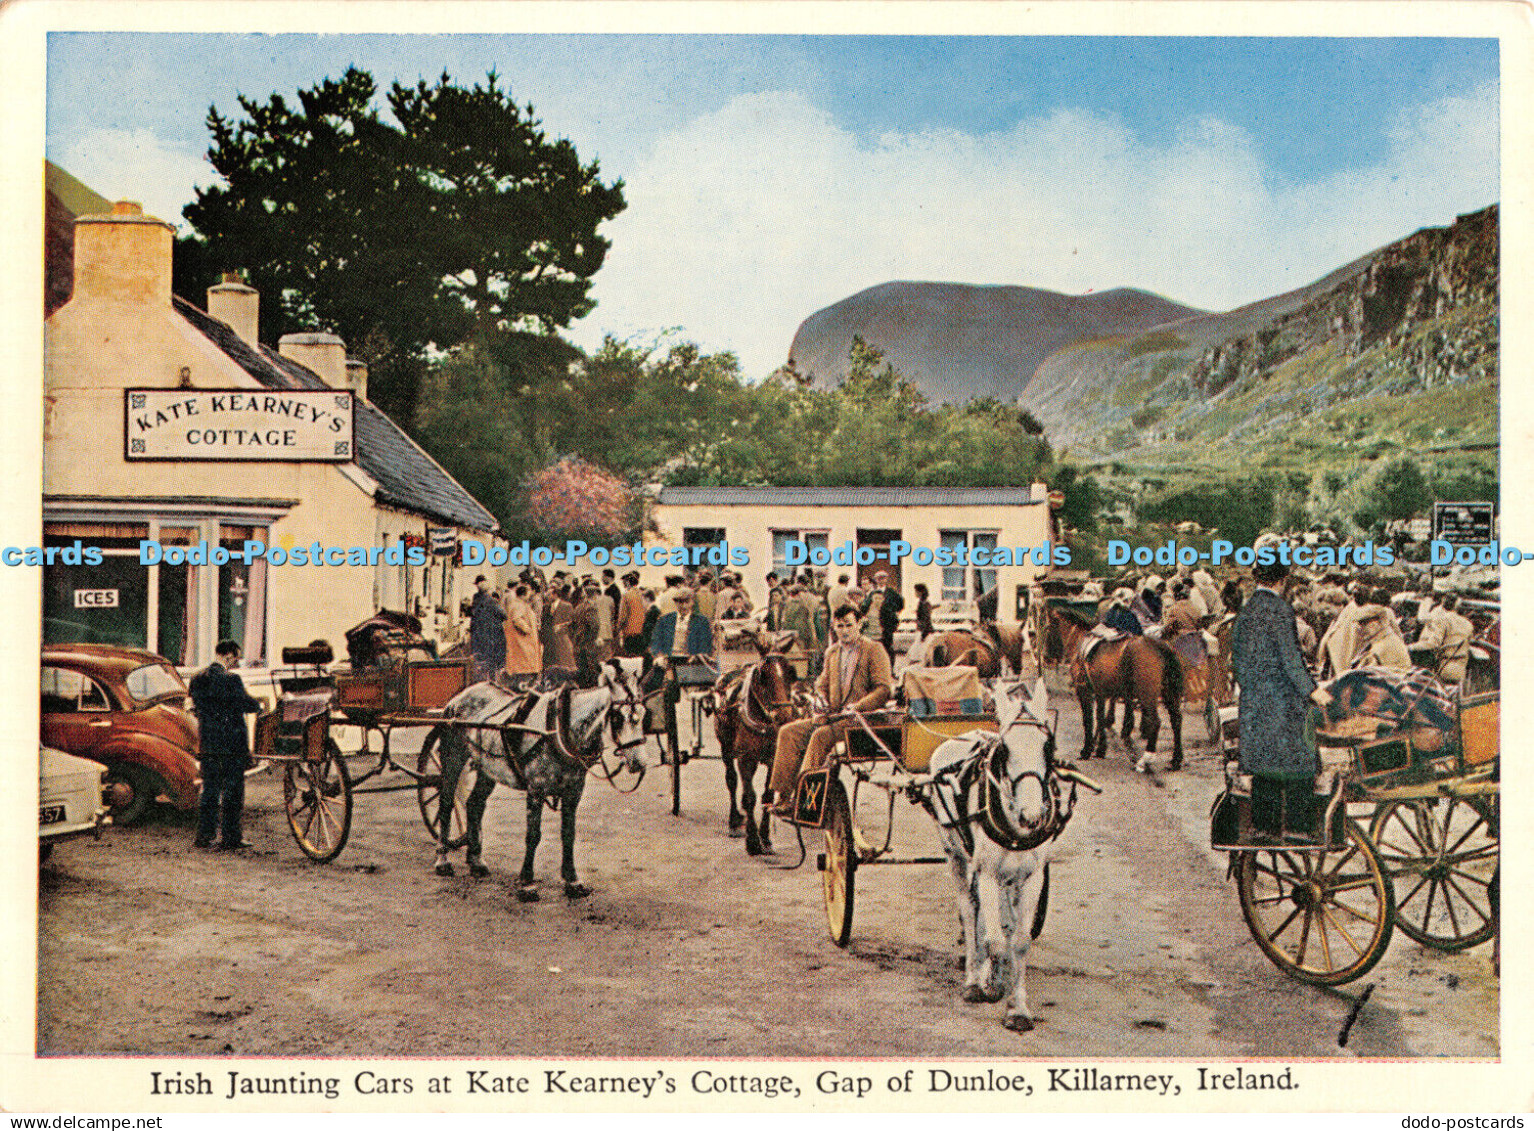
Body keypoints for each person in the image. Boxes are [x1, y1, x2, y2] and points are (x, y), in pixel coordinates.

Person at [768, 605, 892, 815]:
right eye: (839, 626)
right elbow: (822, 684)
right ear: (834, 627)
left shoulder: (873, 649)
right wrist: (821, 701)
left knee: (820, 737)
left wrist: (858, 706)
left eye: (849, 625)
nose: (844, 631)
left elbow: (883, 690)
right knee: (788, 732)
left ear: (859, 624)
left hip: (860, 719)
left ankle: (808, 800)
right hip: (833, 716)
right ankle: (783, 796)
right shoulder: (832, 652)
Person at [1230, 560, 1321, 845]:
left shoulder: (1245, 612)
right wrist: (1313, 692)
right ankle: (1298, 827)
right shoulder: (1281, 610)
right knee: (1302, 756)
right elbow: (1291, 660)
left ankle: (1264, 828)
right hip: (1282, 700)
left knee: (1262, 764)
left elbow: (1238, 663)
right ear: (1282, 581)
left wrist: (1253, 690)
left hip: (1255, 701)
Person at [189, 639, 263, 851]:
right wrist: (259, 704)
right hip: (231, 745)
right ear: (229, 655)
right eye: (236, 659)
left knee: (210, 790)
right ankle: (231, 838)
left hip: (209, 743)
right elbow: (247, 704)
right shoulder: (232, 679)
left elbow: (194, 707)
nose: (236, 664)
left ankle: (204, 836)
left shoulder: (197, 678)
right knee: (232, 792)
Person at [1416, 592, 1474, 683]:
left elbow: (1433, 644)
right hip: (1461, 670)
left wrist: (1411, 647)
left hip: (1444, 668)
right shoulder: (1468, 624)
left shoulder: (1443, 619)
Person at [468, 575, 507, 683]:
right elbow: (504, 615)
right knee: (491, 664)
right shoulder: (491, 601)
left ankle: (481, 683)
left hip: (477, 636)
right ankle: (491, 683)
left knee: (479, 663)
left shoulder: (475, 599)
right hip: (490, 637)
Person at [1352, 605, 1411, 673]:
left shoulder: (1382, 646)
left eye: (1365, 623)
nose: (1360, 628)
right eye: (1360, 624)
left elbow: (1364, 675)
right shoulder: (1388, 639)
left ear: (1379, 622)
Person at [504, 582, 541, 679]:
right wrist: (527, 630)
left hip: (524, 641)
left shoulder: (520, 604)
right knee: (523, 666)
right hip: (522, 641)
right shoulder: (518, 605)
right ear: (523, 594)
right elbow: (517, 619)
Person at [618, 571, 648, 657]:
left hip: (629, 632)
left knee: (630, 658)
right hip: (641, 631)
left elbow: (623, 617)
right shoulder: (642, 594)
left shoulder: (626, 595)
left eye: (624, 582)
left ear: (627, 582)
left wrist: (618, 629)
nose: (623, 584)